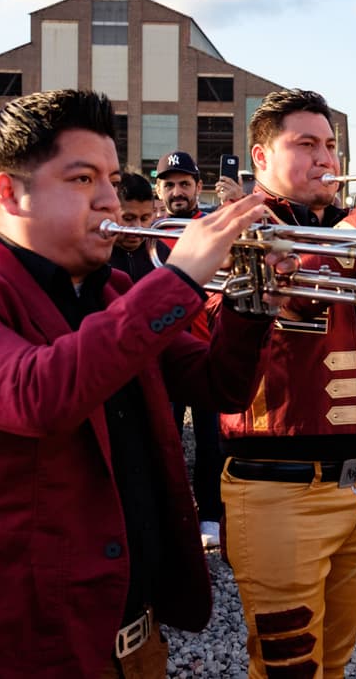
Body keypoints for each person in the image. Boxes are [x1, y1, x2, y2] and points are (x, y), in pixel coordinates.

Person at [0, 89, 280, 677]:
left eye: (113, 177)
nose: (108, 199)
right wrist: (178, 277)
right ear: (10, 192)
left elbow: (217, 387)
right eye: (81, 179)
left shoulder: (113, 294)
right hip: (22, 647)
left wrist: (253, 303)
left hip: (137, 637)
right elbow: (37, 395)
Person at [216, 88, 356, 679]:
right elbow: (289, 290)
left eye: (330, 144)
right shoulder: (239, 228)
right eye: (305, 144)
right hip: (279, 491)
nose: (326, 159)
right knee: (287, 670)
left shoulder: (341, 230)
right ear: (260, 157)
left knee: (333, 663)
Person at [154, 149, 224, 548]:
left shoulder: (212, 225)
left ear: (199, 187)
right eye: (169, 184)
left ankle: (211, 514)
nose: (177, 191)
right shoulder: (150, 229)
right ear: (159, 189)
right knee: (166, 438)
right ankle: (172, 514)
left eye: (184, 183)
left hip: (206, 350)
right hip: (164, 355)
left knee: (212, 439)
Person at [109, 172, 157, 284]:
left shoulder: (160, 253)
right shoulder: (95, 255)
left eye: (145, 218)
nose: (137, 227)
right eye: (128, 218)